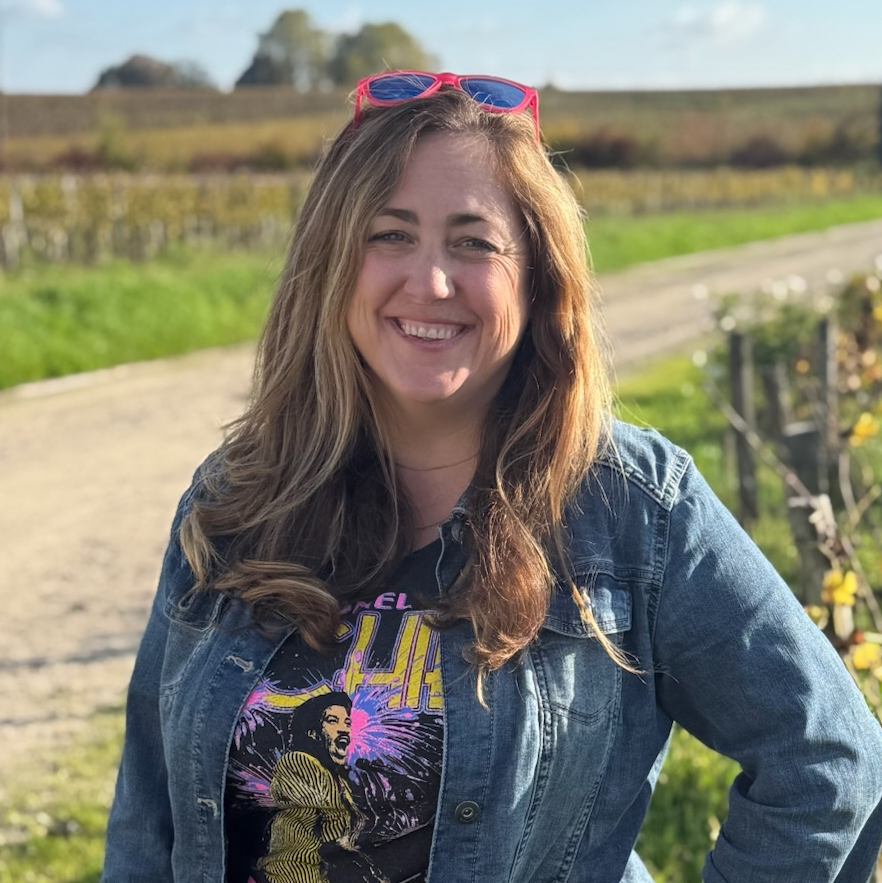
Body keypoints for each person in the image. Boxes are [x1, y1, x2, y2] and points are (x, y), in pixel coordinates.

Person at [102, 71, 882, 882]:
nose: (431, 281)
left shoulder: (633, 508)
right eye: (390, 234)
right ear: (329, 261)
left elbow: (827, 760)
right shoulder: (239, 495)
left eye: (474, 242)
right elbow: (148, 816)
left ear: (537, 276)